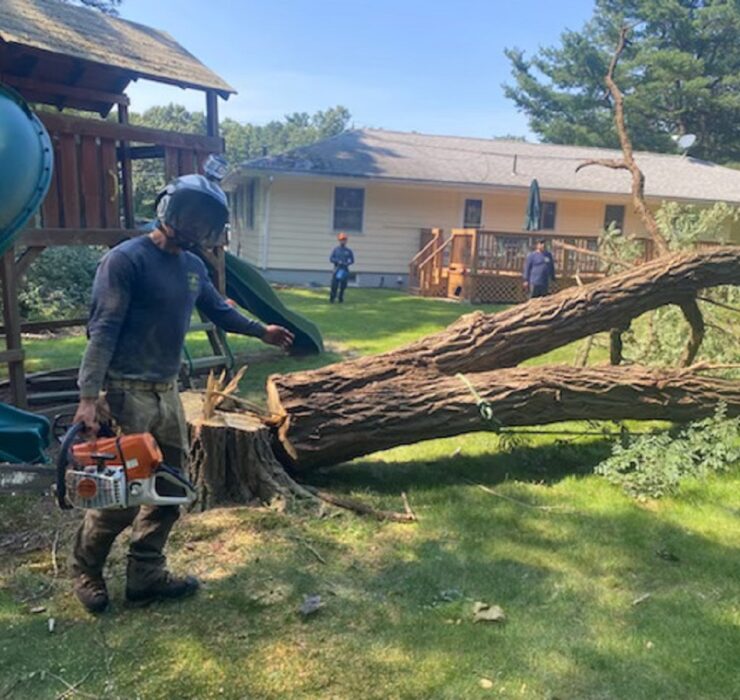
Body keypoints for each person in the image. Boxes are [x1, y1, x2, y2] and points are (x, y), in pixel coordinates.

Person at [69, 173, 294, 613]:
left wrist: (261, 330)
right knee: (119, 497)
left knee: (169, 488)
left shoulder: (193, 268)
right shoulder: (125, 261)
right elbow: (102, 332)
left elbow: (218, 308)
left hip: (167, 393)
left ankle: (146, 574)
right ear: (169, 209)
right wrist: (89, 396)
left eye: (204, 220)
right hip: (123, 393)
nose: (195, 226)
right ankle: (86, 570)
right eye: (190, 215)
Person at [329, 232, 355, 303]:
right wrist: (337, 261)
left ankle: (340, 298)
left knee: (343, 286)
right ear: (339, 240)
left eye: (344, 240)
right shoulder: (336, 250)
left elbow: (352, 260)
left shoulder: (348, 251)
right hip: (337, 269)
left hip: (344, 269)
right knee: (334, 285)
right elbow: (331, 258)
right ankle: (332, 298)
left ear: (346, 241)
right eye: (341, 240)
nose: (343, 241)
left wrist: (347, 263)